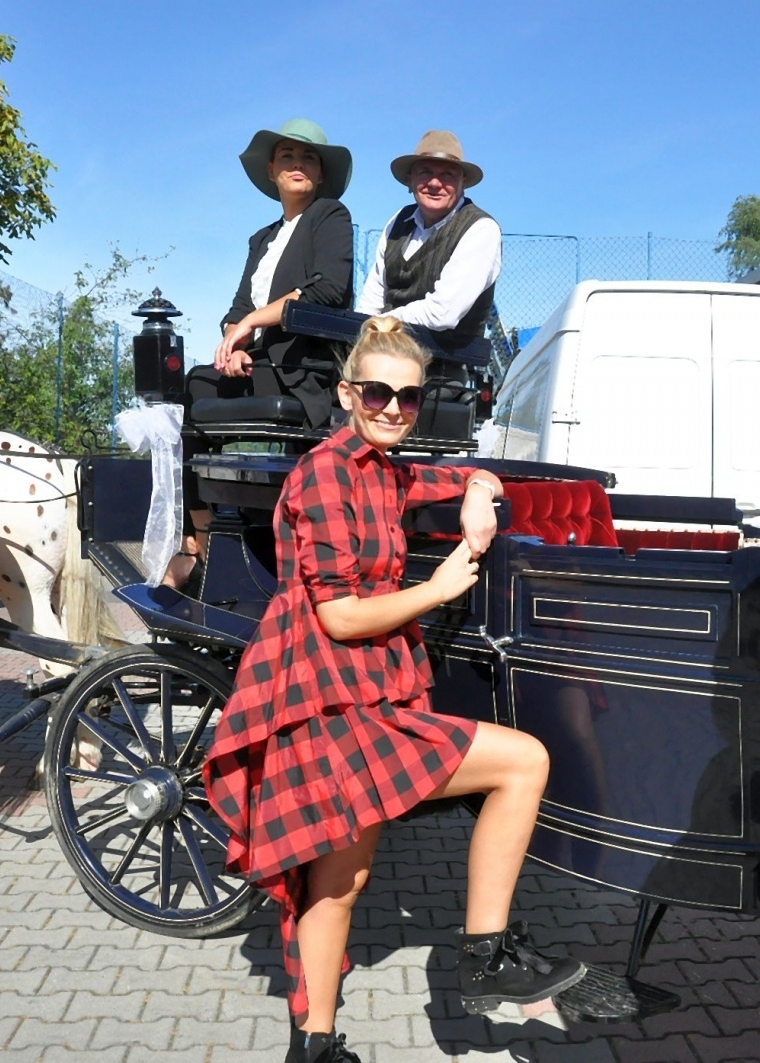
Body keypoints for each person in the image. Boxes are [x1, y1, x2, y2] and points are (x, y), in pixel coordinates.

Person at [202, 317, 584, 1063]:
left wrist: (479, 486)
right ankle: (485, 953)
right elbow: (341, 617)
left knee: (342, 878)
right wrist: (438, 588)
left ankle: (313, 1047)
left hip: (368, 691)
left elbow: (467, 473)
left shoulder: (390, 469)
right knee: (522, 762)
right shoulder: (323, 475)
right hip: (322, 695)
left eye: (408, 398)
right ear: (348, 393)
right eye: (377, 392)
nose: (392, 408)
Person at [165, 118, 355, 590]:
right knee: (192, 385)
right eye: (288, 156)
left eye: (308, 157)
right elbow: (237, 309)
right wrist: (232, 343)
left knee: (225, 386)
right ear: (272, 170)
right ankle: (201, 538)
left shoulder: (330, 216)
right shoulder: (262, 239)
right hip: (258, 365)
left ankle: (272, 546)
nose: (297, 164)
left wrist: (252, 324)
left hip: (301, 368)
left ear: (320, 173)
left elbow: (329, 291)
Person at [355, 130, 501, 354]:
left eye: (447, 175)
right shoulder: (397, 221)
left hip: (443, 373)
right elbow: (371, 300)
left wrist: (376, 327)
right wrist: (363, 337)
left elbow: (442, 313)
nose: (434, 183)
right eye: (425, 172)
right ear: (410, 180)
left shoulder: (480, 229)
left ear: (462, 182)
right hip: (382, 358)